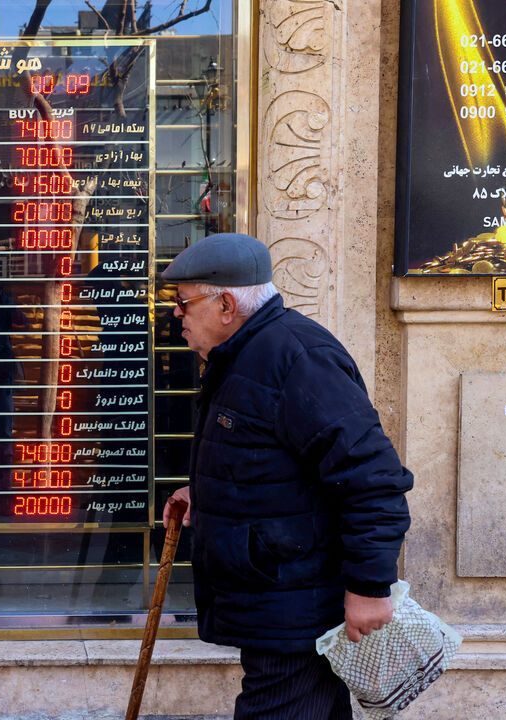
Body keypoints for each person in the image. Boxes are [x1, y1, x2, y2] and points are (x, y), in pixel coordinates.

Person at [159, 233, 412, 719]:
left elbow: (373, 480)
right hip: (277, 598)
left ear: (226, 304)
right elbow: (273, 460)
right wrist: (208, 493)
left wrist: (369, 589)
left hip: (297, 605)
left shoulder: (296, 358)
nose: (176, 315)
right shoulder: (245, 354)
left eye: (183, 302)